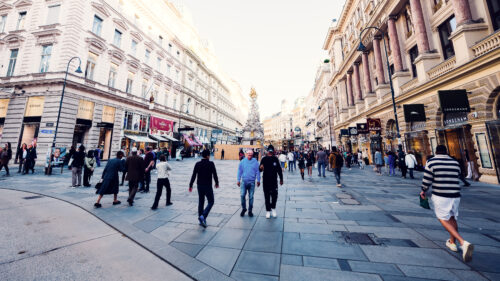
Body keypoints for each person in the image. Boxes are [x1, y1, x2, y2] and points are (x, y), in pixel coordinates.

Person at [420, 145, 473, 262]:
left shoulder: (432, 162)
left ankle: (462, 242)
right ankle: (452, 243)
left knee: (442, 218)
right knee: (453, 218)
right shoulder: (454, 162)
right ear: (446, 152)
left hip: (441, 194)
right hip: (455, 195)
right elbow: (459, 174)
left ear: (436, 152)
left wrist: (423, 190)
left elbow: (427, 179)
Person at [189, 149, 219, 228]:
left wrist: (190, 185)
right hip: (208, 186)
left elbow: (194, 175)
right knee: (211, 201)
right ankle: (203, 216)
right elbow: (214, 174)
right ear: (208, 156)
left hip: (199, 186)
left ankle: (200, 219)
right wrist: (216, 183)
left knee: (201, 202)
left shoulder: (197, 164)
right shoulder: (211, 164)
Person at [259, 145, 283, 219]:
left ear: (273, 151)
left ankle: (273, 208)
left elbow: (279, 170)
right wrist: (260, 168)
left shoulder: (275, 159)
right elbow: (260, 169)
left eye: (271, 151)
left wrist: (281, 179)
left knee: (274, 196)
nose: (270, 152)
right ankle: (268, 211)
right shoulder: (264, 159)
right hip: (266, 181)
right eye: (269, 151)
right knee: (267, 196)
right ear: (267, 151)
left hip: (274, 181)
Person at [237, 149, 260, 217]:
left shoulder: (255, 162)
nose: (250, 155)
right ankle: (244, 209)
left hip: (252, 182)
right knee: (242, 195)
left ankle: (250, 210)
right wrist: (238, 180)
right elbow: (239, 171)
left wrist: (258, 180)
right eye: (248, 154)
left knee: (251, 197)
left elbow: (257, 172)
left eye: (251, 154)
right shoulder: (242, 161)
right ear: (246, 154)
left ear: (252, 155)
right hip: (244, 182)